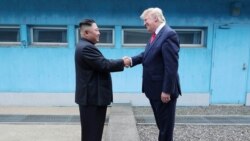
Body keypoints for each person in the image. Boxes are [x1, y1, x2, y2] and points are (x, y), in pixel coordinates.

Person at [124, 8, 181, 141]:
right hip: (155, 91)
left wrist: (167, 90)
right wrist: (130, 60)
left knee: (165, 129)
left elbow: (171, 66)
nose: (144, 23)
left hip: (163, 93)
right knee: (162, 126)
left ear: (155, 18)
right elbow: (147, 55)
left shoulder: (169, 34)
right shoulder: (156, 35)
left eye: (146, 20)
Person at [75, 19, 129, 141]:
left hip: (91, 99)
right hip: (92, 99)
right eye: (96, 30)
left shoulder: (84, 46)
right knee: (92, 135)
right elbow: (104, 65)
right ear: (86, 33)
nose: (99, 33)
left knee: (92, 133)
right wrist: (123, 62)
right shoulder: (86, 48)